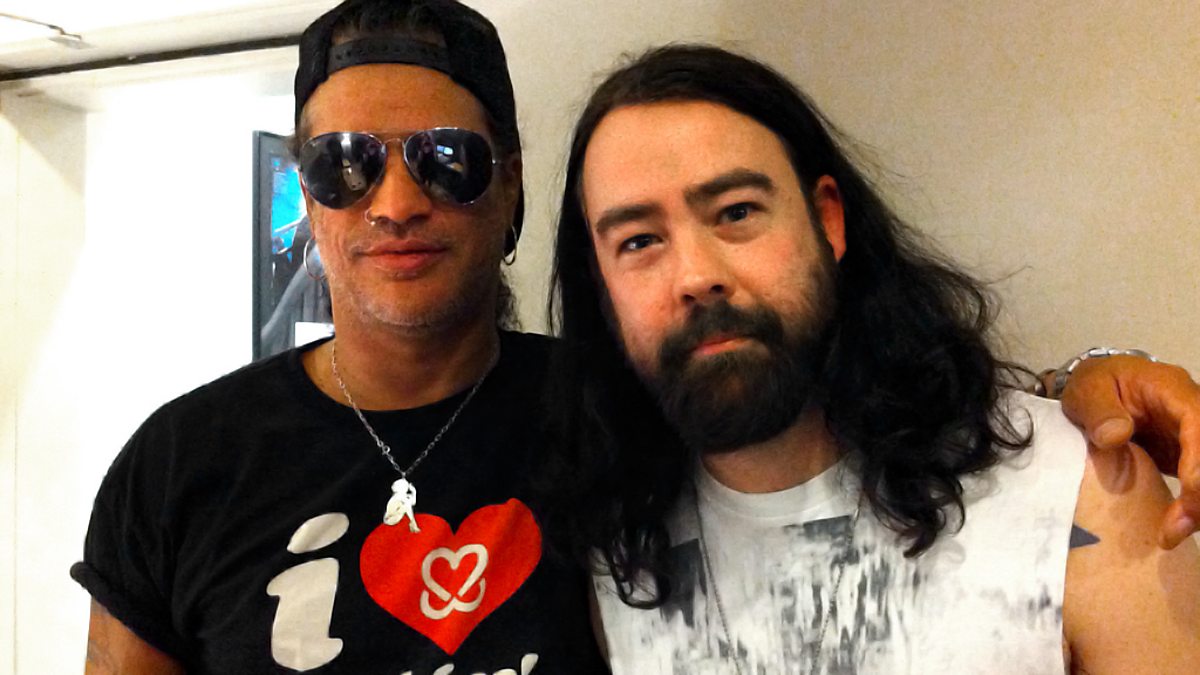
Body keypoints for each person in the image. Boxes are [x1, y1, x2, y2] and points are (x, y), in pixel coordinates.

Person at [72, 1, 1200, 673]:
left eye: (448, 161)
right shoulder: (180, 464)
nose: (397, 201)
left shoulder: (616, 417)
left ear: (509, 188)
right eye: (344, 164)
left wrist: (1093, 383)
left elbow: (888, 409)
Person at [545, 44, 1200, 673]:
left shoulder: (1082, 489)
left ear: (827, 221)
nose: (695, 275)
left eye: (736, 211)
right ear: (603, 287)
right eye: (638, 241)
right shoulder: (615, 555)